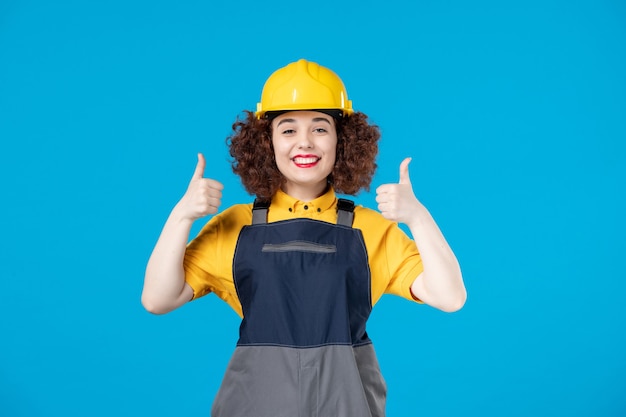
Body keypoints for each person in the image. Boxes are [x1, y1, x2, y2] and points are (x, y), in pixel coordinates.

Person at [142, 58, 466, 417]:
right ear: (266, 142)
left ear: (342, 140)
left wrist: (418, 218)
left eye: (320, 128)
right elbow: (158, 300)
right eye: (288, 129)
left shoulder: (370, 229)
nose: (305, 143)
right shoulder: (234, 226)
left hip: (345, 405)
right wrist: (181, 216)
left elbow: (449, 297)